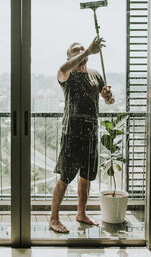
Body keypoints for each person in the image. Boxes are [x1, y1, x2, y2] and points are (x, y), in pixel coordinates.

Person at [49, 37, 115, 233]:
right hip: (72, 133)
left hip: (91, 132)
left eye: (82, 49)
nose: (80, 52)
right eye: (75, 51)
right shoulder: (67, 75)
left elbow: (109, 100)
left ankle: (81, 213)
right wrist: (87, 52)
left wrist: (108, 97)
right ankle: (53, 219)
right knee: (65, 177)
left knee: (86, 177)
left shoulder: (96, 75)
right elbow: (61, 70)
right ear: (69, 57)